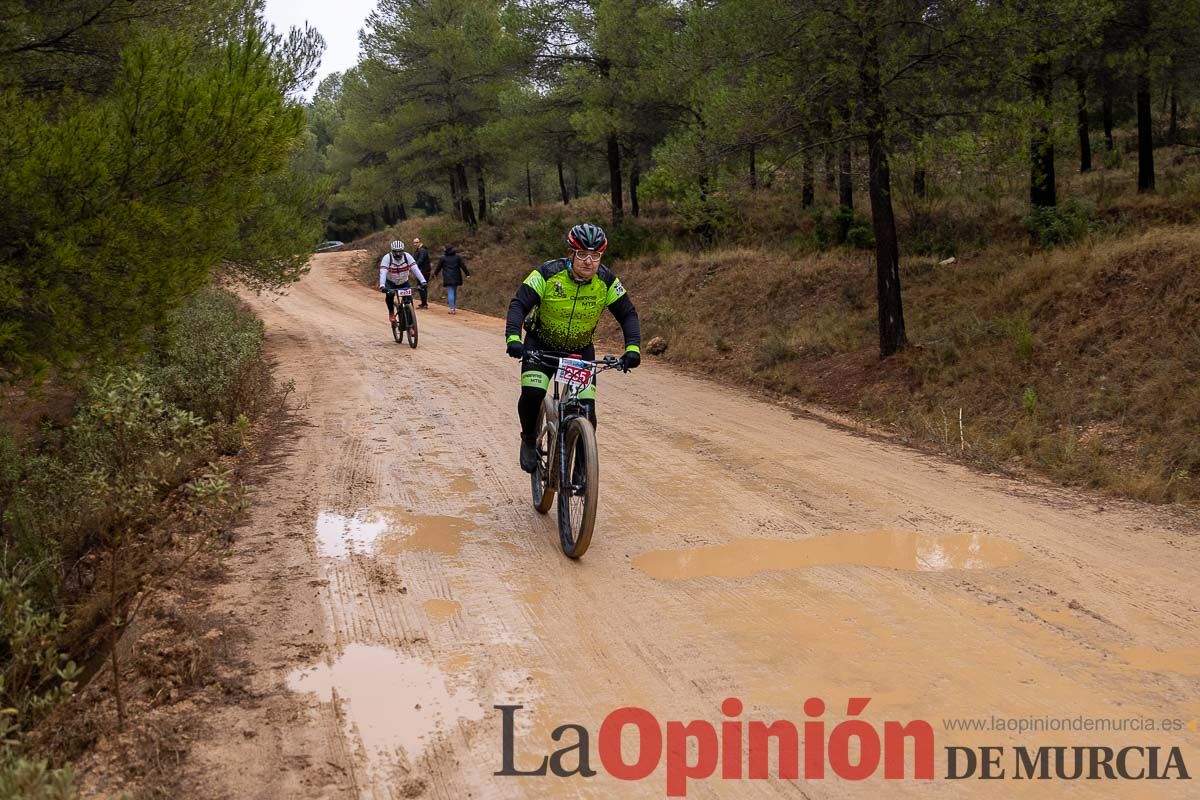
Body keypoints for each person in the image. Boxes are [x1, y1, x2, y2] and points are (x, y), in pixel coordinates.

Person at [504, 223, 641, 473]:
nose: (589, 261)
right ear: (570, 253)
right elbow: (519, 304)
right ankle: (527, 438)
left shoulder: (606, 281)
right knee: (533, 393)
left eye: (596, 256)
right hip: (540, 347)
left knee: (587, 410)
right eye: (582, 254)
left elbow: (628, 314)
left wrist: (633, 348)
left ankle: (581, 466)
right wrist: (513, 338)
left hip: (578, 352)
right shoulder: (547, 273)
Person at [378, 240, 427, 323]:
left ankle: (410, 324)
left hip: (404, 281)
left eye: (400, 252)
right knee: (390, 294)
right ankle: (391, 312)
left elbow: (415, 269)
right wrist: (382, 285)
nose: (398, 254)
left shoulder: (407, 257)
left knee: (409, 301)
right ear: (392, 251)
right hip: (391, 282)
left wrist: (423, 281)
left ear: (403, 251)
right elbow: (383, 272)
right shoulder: (387, 258)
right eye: (395, 252)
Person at [432, 246, 470, 314]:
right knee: (454, 292)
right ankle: (453, 307)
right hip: (456, 276)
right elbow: (463, 265)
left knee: (450, 292)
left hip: (447, 277)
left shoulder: (443, 258)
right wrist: (467, 274)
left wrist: (435, 274)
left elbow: (438, 267)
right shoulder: (457, 257)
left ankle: (452, 309)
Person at [412, 237, 431, 308]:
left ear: (420, 242)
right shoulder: (419, 250)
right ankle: (423, 303)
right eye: (414, 243)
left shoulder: (422, 250)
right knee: (421, 287)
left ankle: (424, 304)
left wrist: (415, 267)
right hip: (422, 270)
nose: (415, 244)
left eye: (416, 242)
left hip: (423, 271)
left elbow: (421, 260)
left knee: (422, 286)